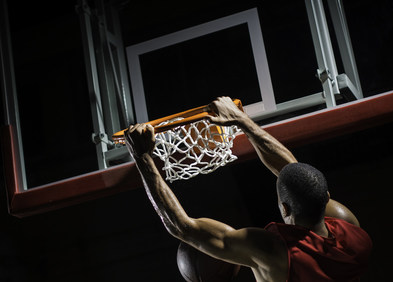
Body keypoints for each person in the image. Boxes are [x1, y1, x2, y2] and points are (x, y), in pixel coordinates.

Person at [124, 97, 372, 281]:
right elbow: (294, 174)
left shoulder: (274, 252)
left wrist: (142, 155)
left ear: (284, 208)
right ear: (326, 197)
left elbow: (182, 227)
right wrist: (241, 119)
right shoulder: (352, 229)